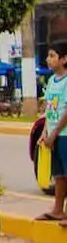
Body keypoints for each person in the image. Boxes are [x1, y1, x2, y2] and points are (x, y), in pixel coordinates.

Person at [39, 41, 67, 226]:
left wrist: (54, 134)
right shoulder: (51, 81)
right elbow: (49, 110)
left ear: (64, 59)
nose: (48, 60)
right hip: (53, 134)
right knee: (58, 175)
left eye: (52, 56)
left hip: (64, 135)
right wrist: (44, 132)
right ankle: (58, 210)